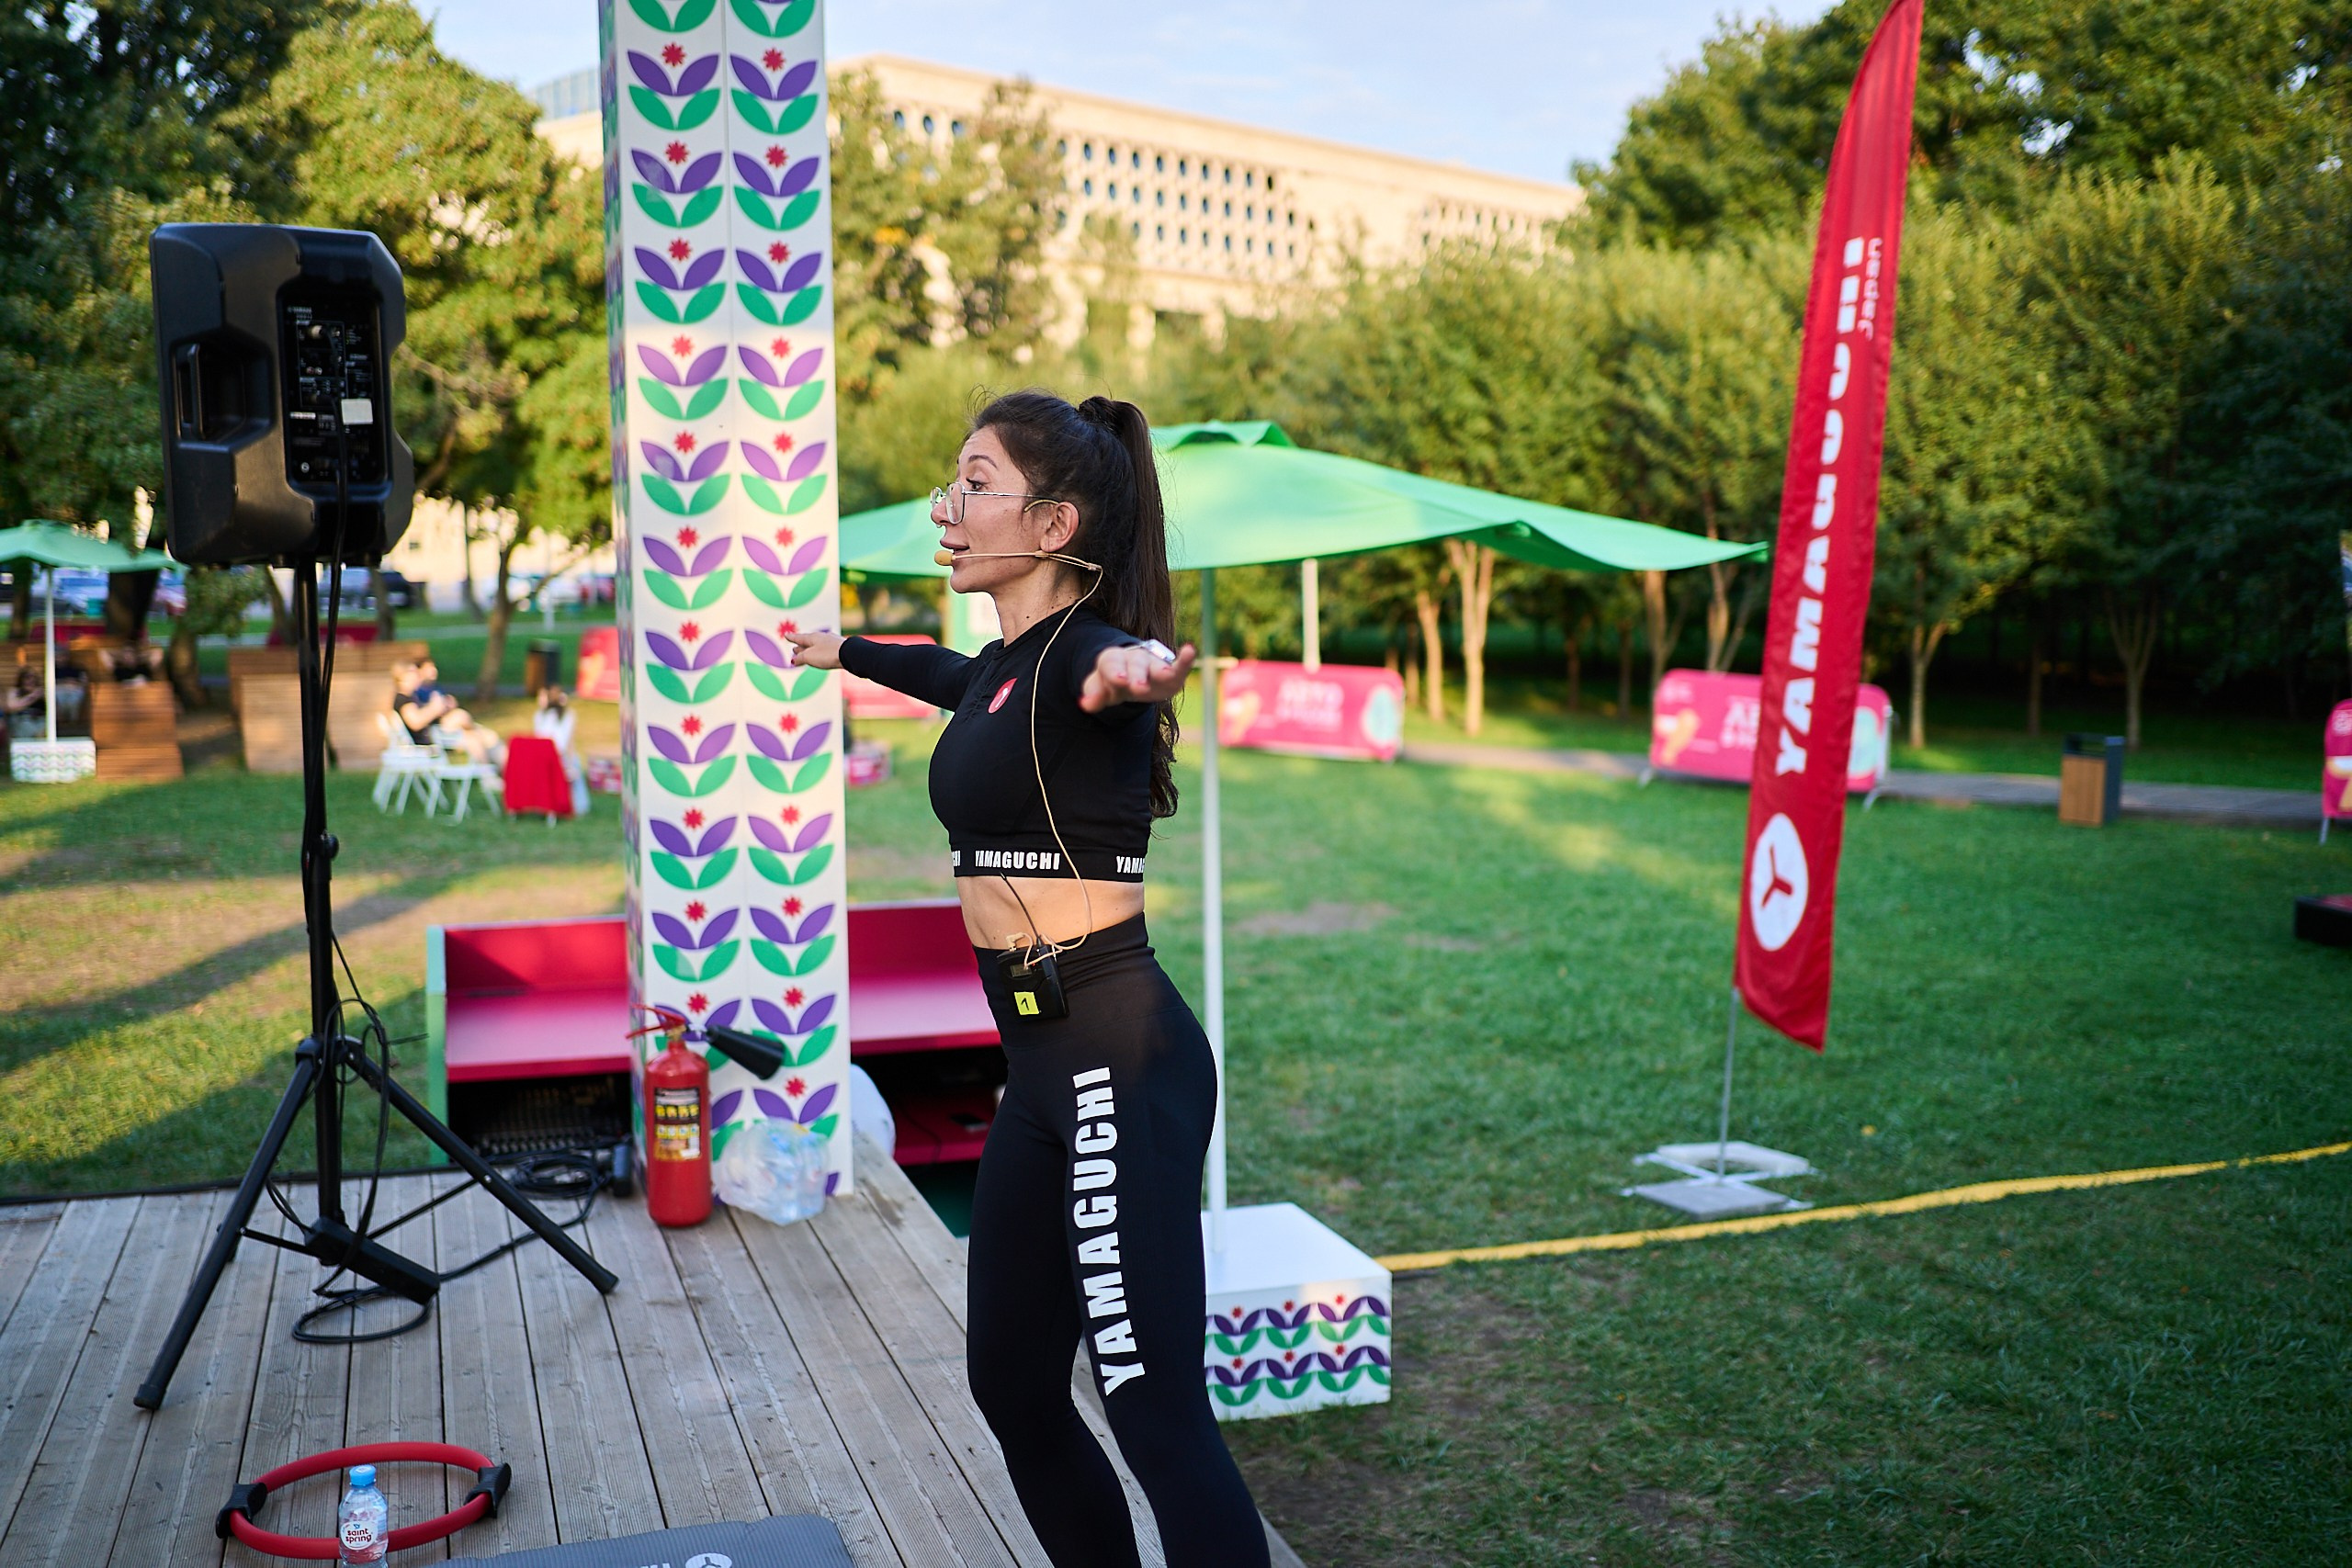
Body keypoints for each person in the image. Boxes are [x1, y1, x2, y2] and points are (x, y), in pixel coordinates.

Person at [786, 391, 1266, 1568]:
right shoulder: (1005, 669)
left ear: (1053, 525)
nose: (945, 510)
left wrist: (1142, 674)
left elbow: (1113, 667)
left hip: (1119, 1059)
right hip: (1042, 1069)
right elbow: (942, 671)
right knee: (1012, 1384)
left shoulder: (1084, 659)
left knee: (1152, 1412)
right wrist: (840, 650)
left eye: (974, 484)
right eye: (951, 484)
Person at [392, 657, 503, 765]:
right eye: (413, 672)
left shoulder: (412, 697)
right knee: (465, 723)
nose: (418, 675)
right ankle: (487, 770)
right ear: (403, 676)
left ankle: (493, 770)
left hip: (438, 734)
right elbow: (416, 722)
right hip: (432, 740)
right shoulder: (403, 699)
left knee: (479, 737)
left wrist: (442, 706)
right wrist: (434, 708)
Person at [533, 684, 590, 818]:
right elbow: (568, 743)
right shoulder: (559, 716)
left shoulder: (543, 716)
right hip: (556, 757)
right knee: (574, 765)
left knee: (573, 765)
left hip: (548, 758)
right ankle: (578, 806)